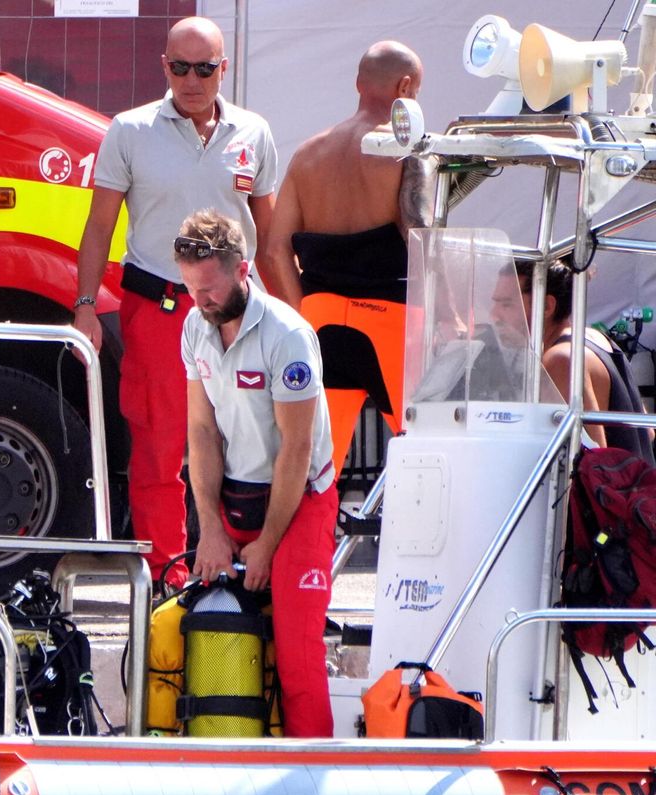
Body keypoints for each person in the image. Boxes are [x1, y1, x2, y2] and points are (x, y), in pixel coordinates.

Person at [74, 16, 279, 591]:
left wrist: (295, 316)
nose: (193, 80)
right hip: (159, 308)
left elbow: (273, 233)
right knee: (163, 447)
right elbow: (98, 226)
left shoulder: (253, 132)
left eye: (205, 68)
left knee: (248, 440)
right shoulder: (131, 130)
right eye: (181, 67)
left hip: (238, 315)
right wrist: (85, 305)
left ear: (223, 69)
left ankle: (243, 572)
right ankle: (170, 575)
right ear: (164, 66)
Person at [179, 210, 336, 738]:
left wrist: (268, 543)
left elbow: (297, 448)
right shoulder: (194, 328)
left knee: (297, 658)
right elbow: (200, 433)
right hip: (234, 493)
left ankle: (310, 787)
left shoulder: (288, 335)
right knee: (204, 628)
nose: (199, 301)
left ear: (242, 268)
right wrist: (210, 529)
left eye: (208, 288)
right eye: (189, 287)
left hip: (299, 500)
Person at [260, 41, 433, 479]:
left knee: (312, 468)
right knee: (424, 453)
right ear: (407, 86)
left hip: (320, 321)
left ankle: (305, 548)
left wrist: (303, 314)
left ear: (358, 84)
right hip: (390, 320)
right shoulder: (403, 148)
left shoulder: (307, 153)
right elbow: (422, 239)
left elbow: (275, 248)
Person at [512, 260, 653, 460]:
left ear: (546, 306)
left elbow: (589, 459)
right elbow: (647, 432)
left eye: (507, 303)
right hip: (637, 485)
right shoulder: (596, 338)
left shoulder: (561, 359)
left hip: (611, 489)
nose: (494, 314)